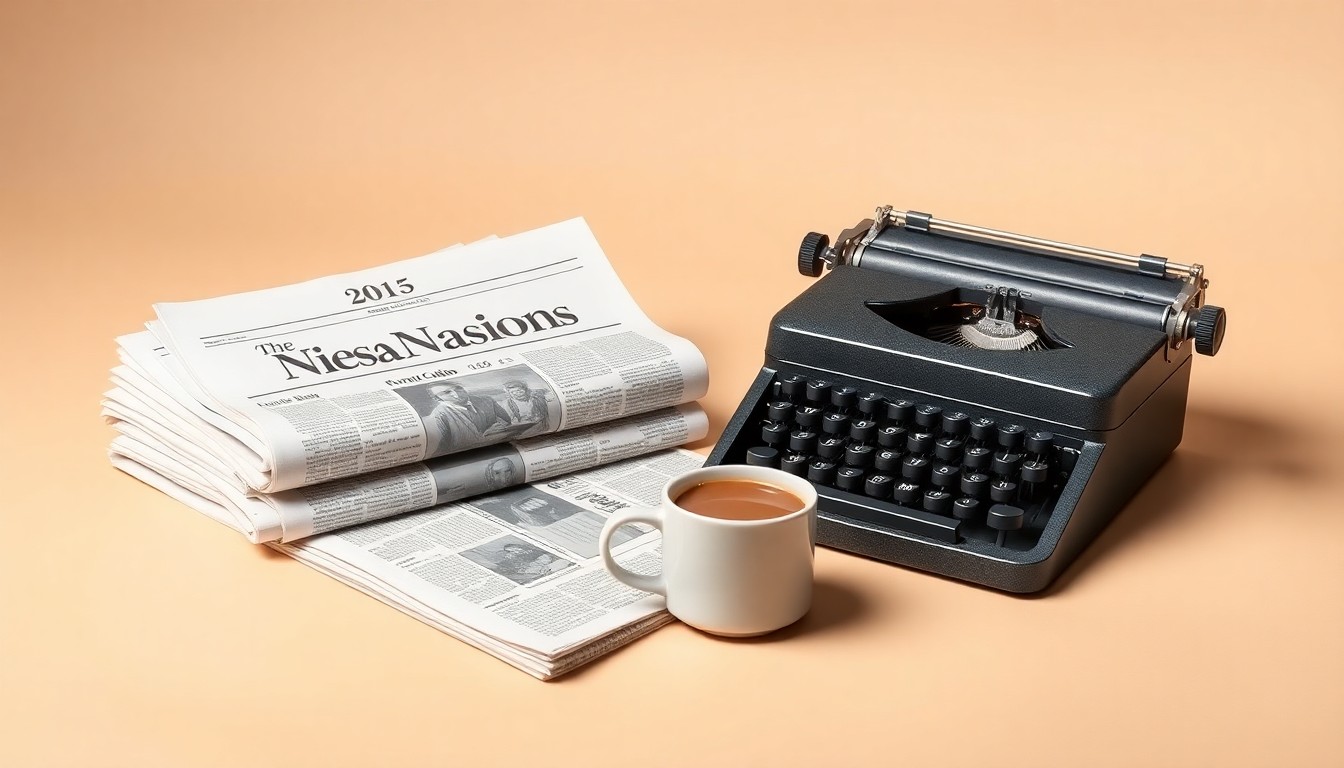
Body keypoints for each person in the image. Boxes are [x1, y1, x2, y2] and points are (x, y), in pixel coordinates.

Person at [425, 382, 511, 455]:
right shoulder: (439, 416)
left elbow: (507, 420)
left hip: (499, 448)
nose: (456, 394)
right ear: (437, 399)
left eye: (457, 388)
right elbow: (441, 449)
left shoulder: (487, 400)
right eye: (446, 392)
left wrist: (499, 426)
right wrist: (485, 437)